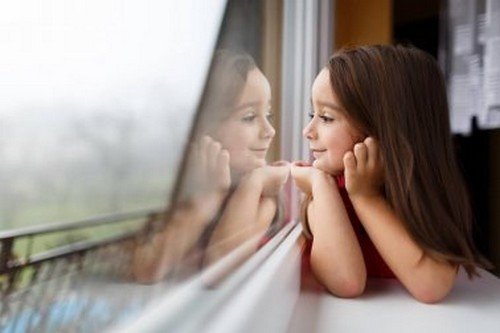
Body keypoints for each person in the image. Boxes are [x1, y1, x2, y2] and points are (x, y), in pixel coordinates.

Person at [291, 44, 491, 303]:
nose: (308, 130)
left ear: (382, 130)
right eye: (312, 114)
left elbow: (432, 285)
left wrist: (366, 196)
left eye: (326, 118)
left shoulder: (422, 196)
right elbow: (346, 281)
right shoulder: (326, 188)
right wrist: (320, 184)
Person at [132, 50, 289, 283]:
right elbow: (147, 270)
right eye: (249, 117)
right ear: (203, 128)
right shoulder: (174, 191)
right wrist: (205, 202)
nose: (269, 131)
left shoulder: (263, 193)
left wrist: (253, 183)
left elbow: (220, 266)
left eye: (268, 114)